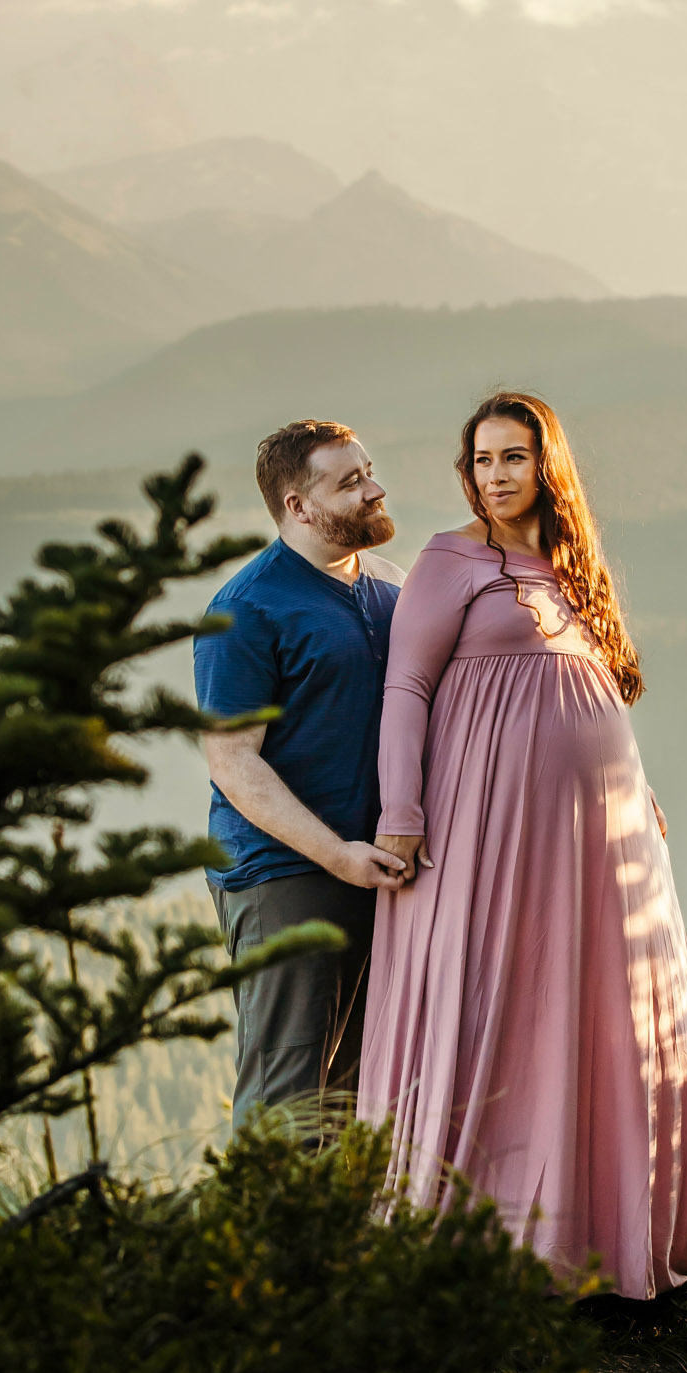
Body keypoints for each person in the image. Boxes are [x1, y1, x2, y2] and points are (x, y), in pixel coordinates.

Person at [360, 391, 687, 1306]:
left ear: (547, 467)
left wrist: (633, 785)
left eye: (512, 458)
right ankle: (482, 1244)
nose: (495, 477)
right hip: (486, 822)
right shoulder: (449, 559)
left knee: (602, 1012)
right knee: (500, 996)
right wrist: (402, 811)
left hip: (600, 838)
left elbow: (596, 694)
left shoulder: (574, 569)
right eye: (481, 460)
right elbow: (406, 688)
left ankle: (615, 1246)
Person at [195, 418, 407, 1128]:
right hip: (284, 876)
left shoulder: (389, 588)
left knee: (362, 1093)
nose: (373, 489)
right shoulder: (246, 609)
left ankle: (342, 1239)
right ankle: (259, 1240)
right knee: (291, 1096)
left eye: (368, 471)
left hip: (379, 868)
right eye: (349, 483)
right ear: (297, 506)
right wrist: (336, 854)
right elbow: (230, 760)